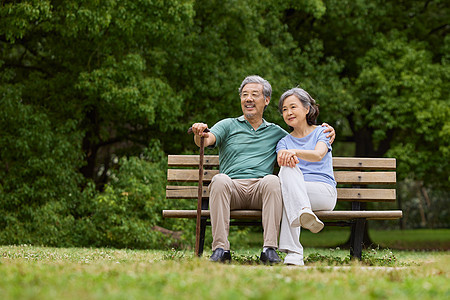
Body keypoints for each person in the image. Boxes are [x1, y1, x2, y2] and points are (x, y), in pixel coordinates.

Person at [191, 76, 335, 264]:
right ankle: (220, 249)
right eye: (245, 95)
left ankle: (269, 249)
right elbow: (206, 140)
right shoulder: (228, 125)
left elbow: (302, 136)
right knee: (219, 179)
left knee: (273, 180)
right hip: (232, 189)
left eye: (254, 94)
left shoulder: (277, 133)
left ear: (266, 100)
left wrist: (328, 131)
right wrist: (199, 133)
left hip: (262, 190)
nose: (249, 98)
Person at [276, 87, 337, 266]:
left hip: (323, 193)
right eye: (284, 110)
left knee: (289, 196)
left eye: (293, 107)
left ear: (307, 109)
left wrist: (293, 151)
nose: (288, 112)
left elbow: (318, 154)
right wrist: (287, 153)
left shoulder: (322, 132)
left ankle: (294, 251)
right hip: (298, 194)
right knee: (286, 172)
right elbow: (282, 160)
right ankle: (303, 212)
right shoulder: (283, 142)